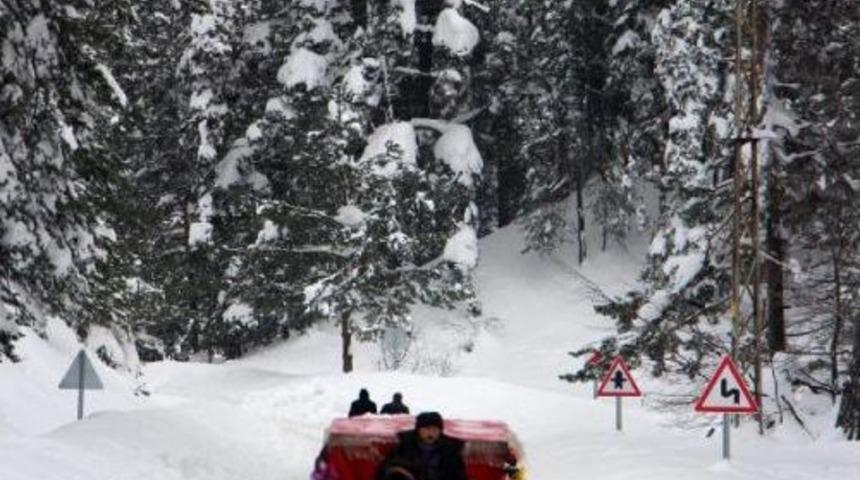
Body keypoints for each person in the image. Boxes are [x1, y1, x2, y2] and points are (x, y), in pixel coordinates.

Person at [376, 412, 467, 480]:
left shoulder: (450, 450)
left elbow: (459, 475)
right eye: (427, 429)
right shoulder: (404, 446)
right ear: (418, 430)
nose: (431, 433)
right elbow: (385, 470)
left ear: (440, 431)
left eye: (435, 429)